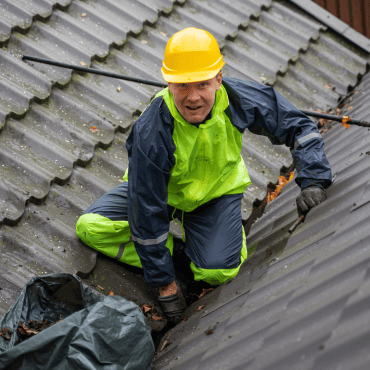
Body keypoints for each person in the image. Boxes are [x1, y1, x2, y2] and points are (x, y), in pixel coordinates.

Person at [76, 27, 331, 322]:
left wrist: (313, 178)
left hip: (215, 194)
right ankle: (177, 257)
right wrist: (165, 284)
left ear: (218, 80)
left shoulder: (237, 99)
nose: (193, 97)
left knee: (217, 271)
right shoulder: (152, 130)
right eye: (183, 86)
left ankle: (214, 240)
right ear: (169, 84)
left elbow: (298, 126)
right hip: (163, 195)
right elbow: (146, 207)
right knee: (91, 227)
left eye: (202, 84)